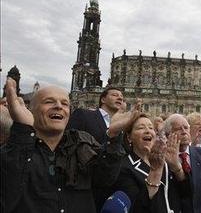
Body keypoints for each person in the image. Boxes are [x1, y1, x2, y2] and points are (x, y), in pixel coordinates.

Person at [0, 78, 127, 213]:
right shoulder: (16, 149)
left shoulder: (83, 146)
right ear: (30, 110)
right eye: (49, 102)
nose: (59, 106)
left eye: (65, 104)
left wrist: (113, 136)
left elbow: (105, 179)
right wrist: (23, 129)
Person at [112, 114, 187, 213]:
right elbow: (136, 207)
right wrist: (155, 172)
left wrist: (177, 167)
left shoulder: (164, 162)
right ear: (129, 137)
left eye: (151, 127)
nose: (148, 130)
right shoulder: (124, 167)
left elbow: (186, 194)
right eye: (141, 128)